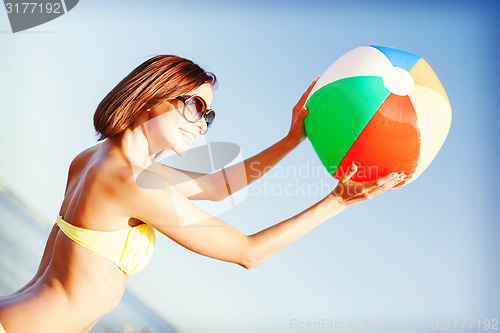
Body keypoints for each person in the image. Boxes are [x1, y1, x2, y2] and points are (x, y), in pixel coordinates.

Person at [0, 55, 406, 333]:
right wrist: (337, 201)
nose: (201, 124)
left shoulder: (100, 159)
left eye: (208, 116)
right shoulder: (132, 183)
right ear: (154, 94)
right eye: (195, 107)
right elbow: (248, 252)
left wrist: (290, 141)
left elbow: (215, 187)